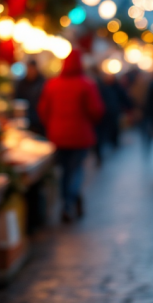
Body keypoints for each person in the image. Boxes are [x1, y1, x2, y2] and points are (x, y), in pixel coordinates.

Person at [37, 50, 104, 222]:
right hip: (80, 136)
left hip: (58, 136)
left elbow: (43, 110)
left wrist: (52, 125)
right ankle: (70, 201)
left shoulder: (52, 84)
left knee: (65, 171)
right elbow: (96, 111)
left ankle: (67, 202)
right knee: (76, 170)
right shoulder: (87, 84)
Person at [95, 70, 133, 164]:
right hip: (109, 112)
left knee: (109, 129)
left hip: (108, 112)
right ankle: (111, 143)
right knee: (109, 129)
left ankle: (111, 144)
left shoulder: (103, 87)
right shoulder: (104, 87)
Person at [14, 60, 47, 135]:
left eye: (32, 69)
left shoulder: (43, 83)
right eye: (28, 69)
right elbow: (17, 99)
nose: (30, 71)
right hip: (23, 119)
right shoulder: (21, 83)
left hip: (39, 121)